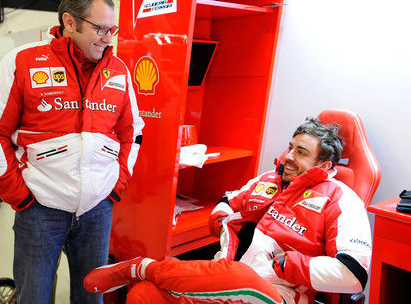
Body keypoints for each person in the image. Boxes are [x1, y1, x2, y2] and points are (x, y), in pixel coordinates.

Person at [0, 0, 144, 304]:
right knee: (33, 297)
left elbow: (133, 132)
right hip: (40, 208)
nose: (109, 38)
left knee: (91, 296)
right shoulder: (22, 61)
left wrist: (116, 187)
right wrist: (19, 195)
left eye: (113, 29)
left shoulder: (117, 69)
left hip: (97, 209)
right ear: (69, 22)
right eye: (101, 29)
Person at [84, 117, 372, 304]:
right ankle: (144, 275)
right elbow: (228, 200)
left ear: (322, 166)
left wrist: (289, 265)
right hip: (225, 275)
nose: (288, 157)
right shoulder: (268, 179)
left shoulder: (341, 199)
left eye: (300, 152)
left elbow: (354, 273)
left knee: (242, 278)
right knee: (143, 295)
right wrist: (221, 221)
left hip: (277, 292)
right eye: (290, 147)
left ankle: (141, 267)